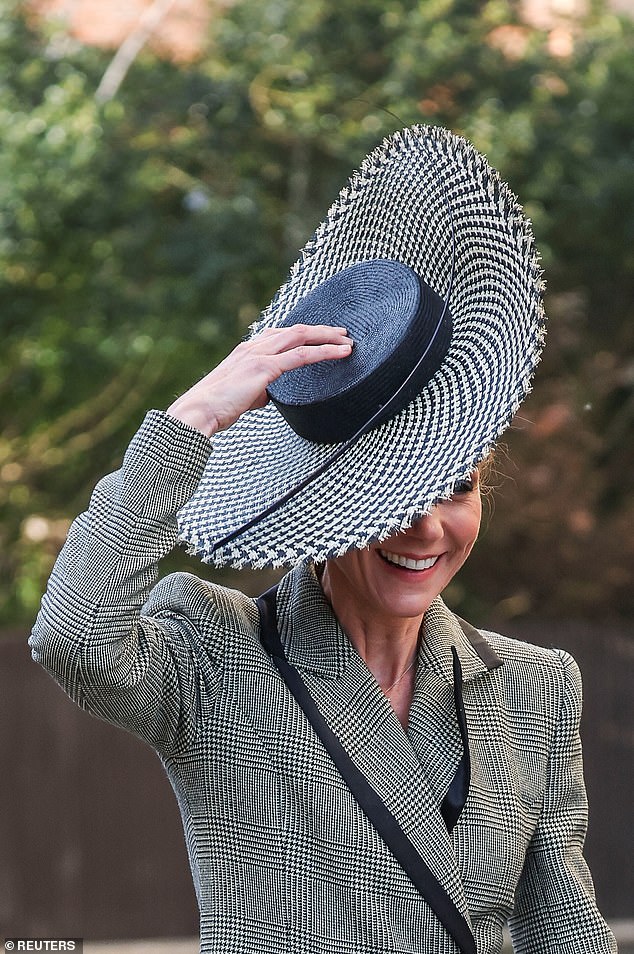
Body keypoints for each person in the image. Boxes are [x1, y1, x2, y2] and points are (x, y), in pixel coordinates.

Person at [31, 125, 616, 954]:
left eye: (457, 487)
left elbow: (564, 930)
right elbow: (73, 638)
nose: (425, 526)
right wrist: (191, 424)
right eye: (393, 497)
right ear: (329, 510)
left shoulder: (536, 687)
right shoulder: (215, 652)